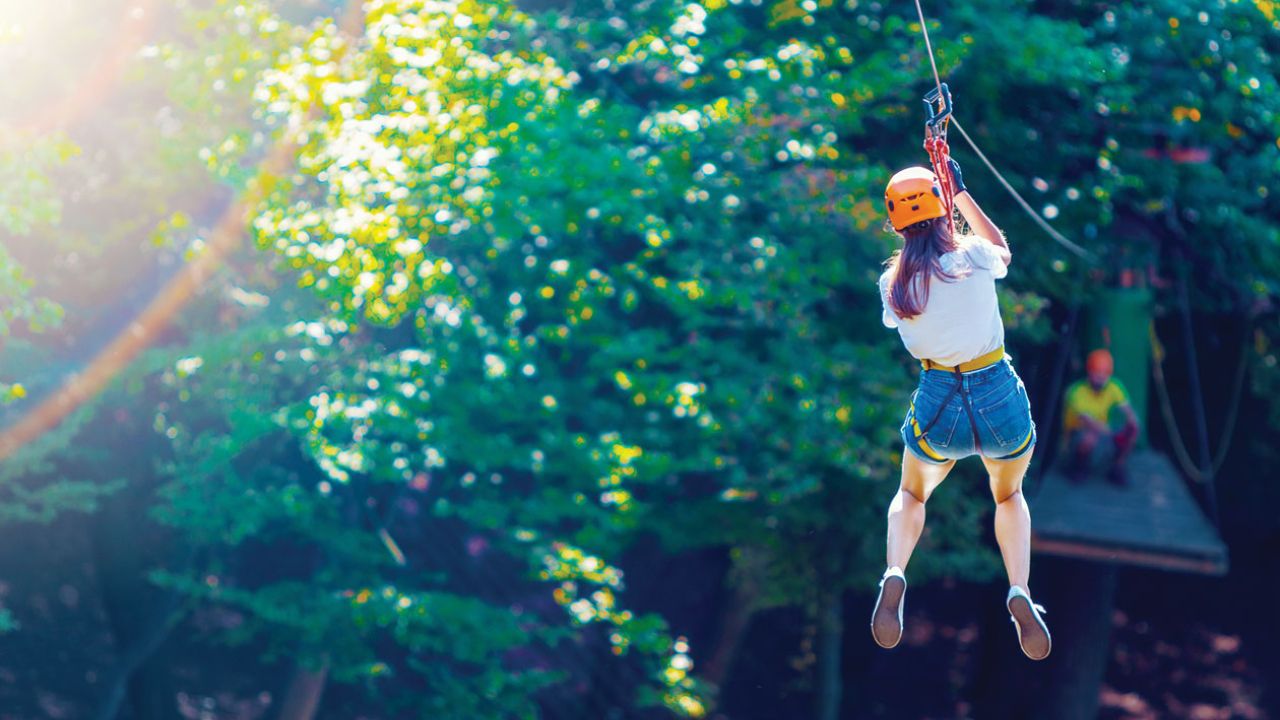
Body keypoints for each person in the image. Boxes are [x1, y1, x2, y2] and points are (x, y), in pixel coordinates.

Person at [870, 160, 1051, 661]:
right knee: (1009, 494)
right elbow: (1003, 251)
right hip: (997, 394)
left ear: (896, 222)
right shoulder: (972, 254)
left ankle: (895, 572)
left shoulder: (893, 285)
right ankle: (1019, 589)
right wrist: (962, 194)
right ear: (941, 205)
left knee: (912, 491)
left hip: (939, 401)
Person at [1062, 348, 1140, 485]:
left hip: (1103, 434)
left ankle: (1117, 467)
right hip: (1078, 437)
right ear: (1089, 372)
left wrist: (1131, 424)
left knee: (1133, 428)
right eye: (1097, 374)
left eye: (1104, 375)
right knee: (1089, 436)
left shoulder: (1113, 386)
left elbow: (1128, 411)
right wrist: (1112, 433)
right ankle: (1078, 467)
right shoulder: (1076, 392)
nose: (1100, 379)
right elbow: (1087, 421)